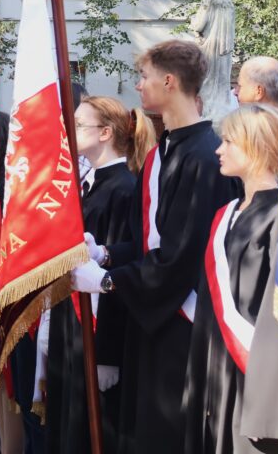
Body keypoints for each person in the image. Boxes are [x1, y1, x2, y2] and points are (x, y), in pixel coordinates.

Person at [72, 40, 240, 454]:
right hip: (151, 314)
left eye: (144, 77)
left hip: (182, 321)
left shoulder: (203, 156)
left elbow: (182, 255)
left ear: (169, 81)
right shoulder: (163, 151)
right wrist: (107, 253)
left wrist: (109, 282)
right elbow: (150, 242)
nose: (139, 85)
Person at [46, 97, 155, 454]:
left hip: (96, 327)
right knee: (66, 419)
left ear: (105, 133)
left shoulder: (124, 187)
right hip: (71, 323)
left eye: (79, 125)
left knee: (92, 427)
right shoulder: (89, 184)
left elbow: (123, 271)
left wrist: (106, 352)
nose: (70, 131)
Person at [183, 104, 278, 454]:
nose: (218, 149)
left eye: (228, 141)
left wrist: (271, 404)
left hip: (255, 384)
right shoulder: (225, 215)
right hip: (215, 373)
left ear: (254, 146)